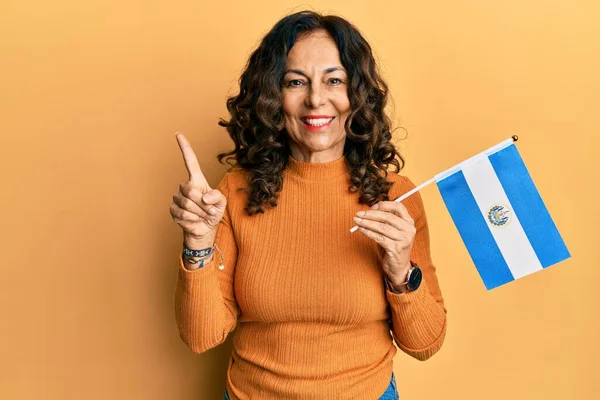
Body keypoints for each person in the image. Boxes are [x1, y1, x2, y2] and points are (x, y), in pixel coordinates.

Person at [170, 10, 447, 400]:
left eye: (334, 80)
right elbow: (201, 337)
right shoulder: (234, 193)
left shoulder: (395, 196)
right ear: (272, 97)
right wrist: (198, 243)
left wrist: (401, 271)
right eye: (296, 82)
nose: (316, 99)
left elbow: (426, 343)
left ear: (357, 95)